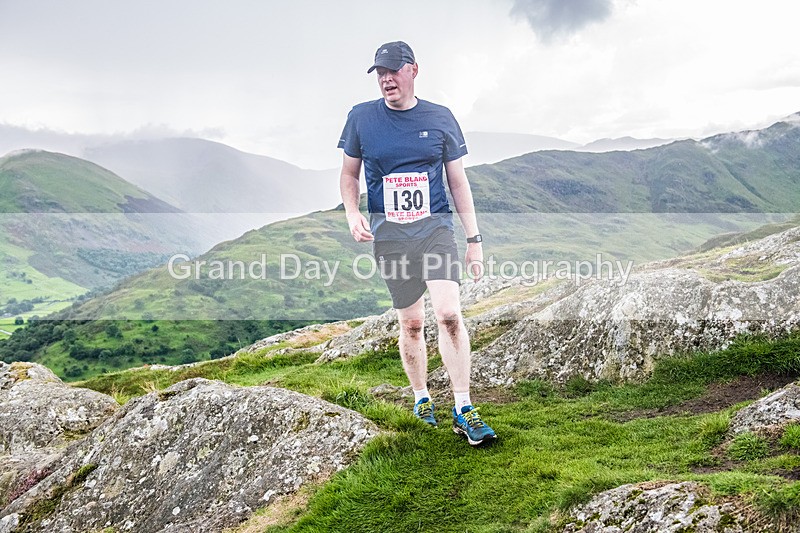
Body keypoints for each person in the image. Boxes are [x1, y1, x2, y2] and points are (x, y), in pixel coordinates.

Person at [337, 41, 496, 446]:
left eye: (392, 70)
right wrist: (353, 213)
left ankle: (464, 407)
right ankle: (422, 398)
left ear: (413, 70)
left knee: (448, 314)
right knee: (411, 322)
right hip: (390, 236)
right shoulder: (361, 118)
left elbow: (457, 181)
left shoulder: (440, 118)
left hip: (435, 230)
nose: (386, 79)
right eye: (379, 73)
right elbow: (349, 175)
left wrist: (474, 240)